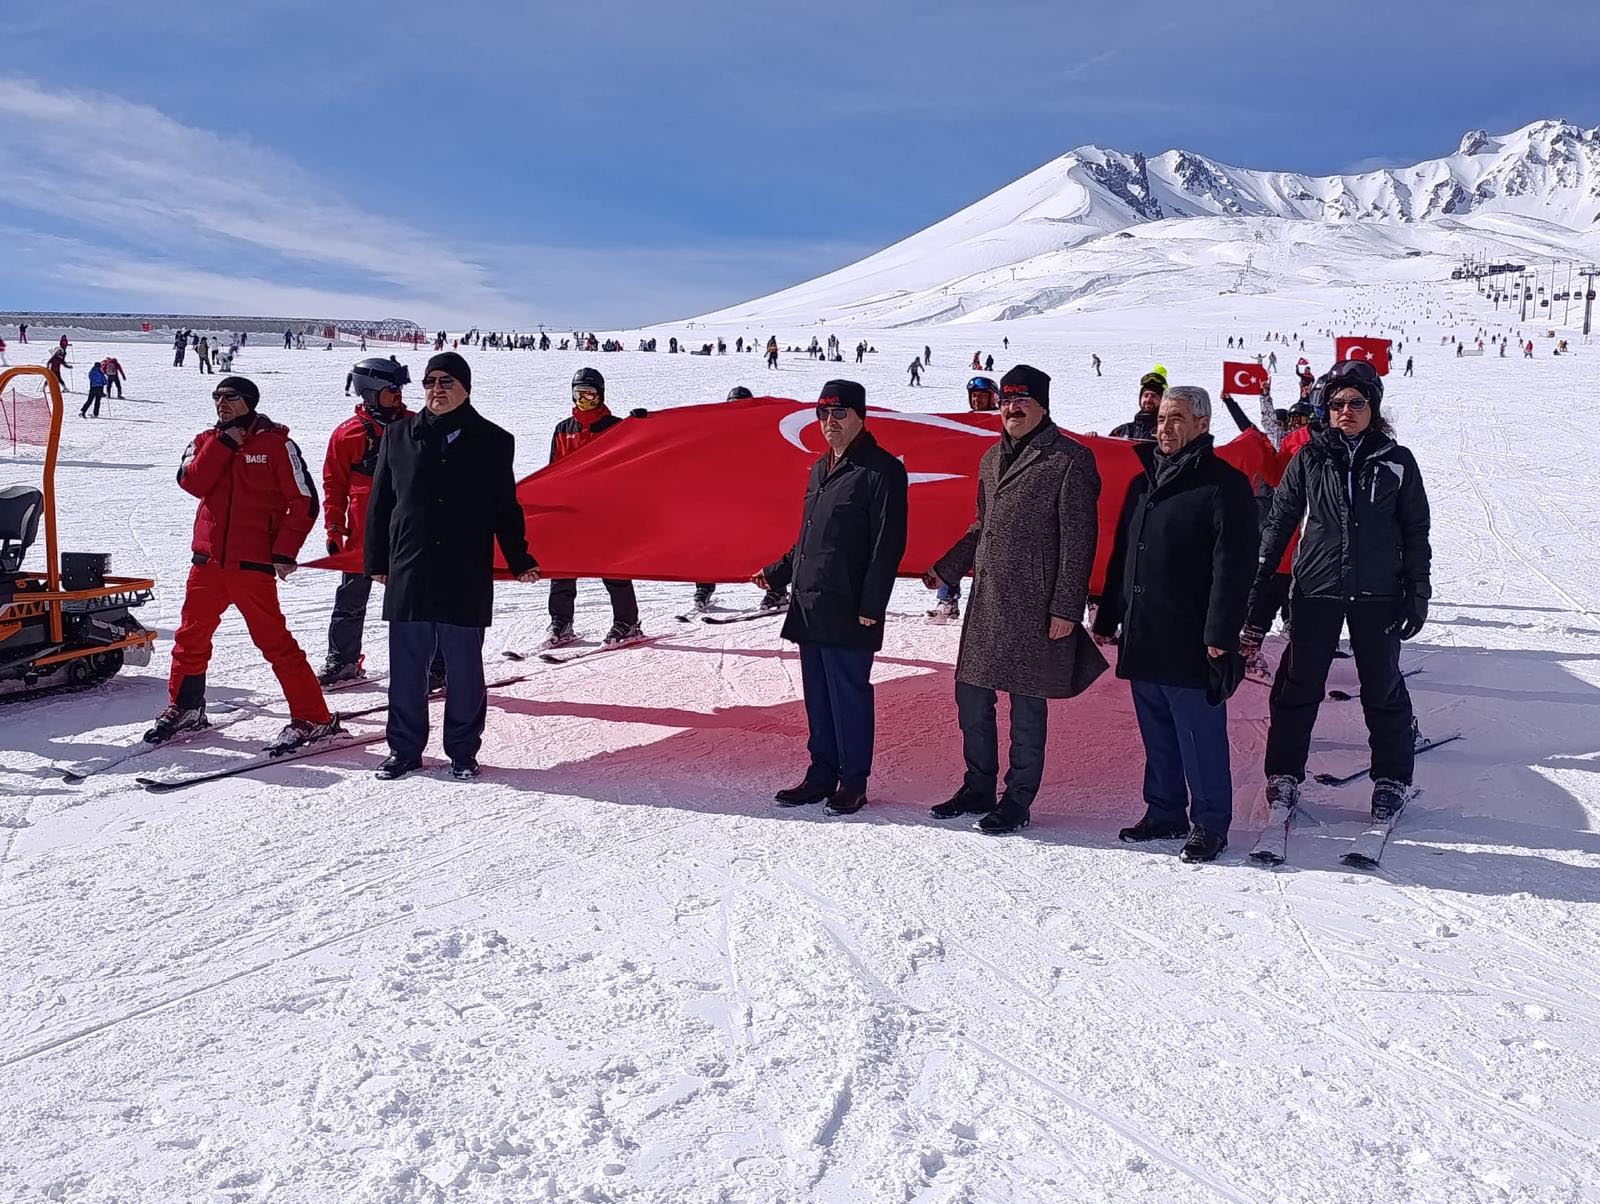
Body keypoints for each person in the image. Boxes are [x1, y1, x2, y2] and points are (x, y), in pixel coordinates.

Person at [1245, 359, 1432, 822]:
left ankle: (1391, 779)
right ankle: (1284, 774)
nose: (1345, 411)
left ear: (1373, 408)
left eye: (1356, 403)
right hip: (1317, 589)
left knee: (1382, 687)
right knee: (1298, 685)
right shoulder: (1310, 457)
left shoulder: (1397, 461)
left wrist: (1417, 590)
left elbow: (1416, 530)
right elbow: (1280, 522)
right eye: (1336, 404)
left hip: (1379, 592)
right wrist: (1261, 582)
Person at [925, 365, 1107, 835]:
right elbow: (982, 525)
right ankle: (978, 786)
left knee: (1026, 707)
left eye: (1022, 400)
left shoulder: (1070, 458)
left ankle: (1017, 799)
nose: (1012, 408)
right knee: (972, 696)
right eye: (1006, 401)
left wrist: (1066, 607)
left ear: (1043, 405)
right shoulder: (991, 458)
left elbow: (1079, 541)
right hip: (988, 602)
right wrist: (946, 568)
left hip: (1037, 605)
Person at [1092, 386, 1257, 863]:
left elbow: (1234, 567)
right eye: (1163, 418)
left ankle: (1211, 823)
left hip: (1193, 636)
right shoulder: (1142, 481)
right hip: (1144, 631)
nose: (1165, 428)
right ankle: (1164, 811)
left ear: (1203, 425)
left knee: (1199, 736)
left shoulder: (1224, 484)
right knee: (1158, 732)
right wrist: (1109, 613)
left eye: (1177, 418)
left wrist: (1221, 634)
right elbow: (1124, 552)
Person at [365, 352, 540, 780]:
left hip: (465, 569)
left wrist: (519, 558)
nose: (436, 389)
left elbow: (504, 507)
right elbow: (380, 503)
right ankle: (404, 750)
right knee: (407, 669)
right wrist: (377, 560)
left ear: (466, 388)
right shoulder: (398, 435)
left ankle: (463, 751)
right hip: (410, 567)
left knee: (464, 670)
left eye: (446, 381)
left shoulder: (494, 440)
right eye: (430, 382)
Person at [148, 376, 338, 752]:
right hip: (207, 564)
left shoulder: (277, 444)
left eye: (231, 397)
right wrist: (224, 444)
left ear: (249, 401)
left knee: (275, 644)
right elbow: (192, 483)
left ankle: (314, 718)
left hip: (252, 565)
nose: (221, 402)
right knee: (190, 639)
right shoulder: (205, 440)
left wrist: (284, 551)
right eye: (217, 396)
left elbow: (304, 501)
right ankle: (186, 707)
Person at [754, 380, 907, 816]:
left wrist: (872, 606)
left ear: (860, 416)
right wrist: (778, 572)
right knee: (819, 697)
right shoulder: (820, 468)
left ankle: (853, 783)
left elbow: (887, 545)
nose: (829, 422)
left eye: (839, 413)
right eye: (823, 413)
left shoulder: (882, 471)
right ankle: (821, 774)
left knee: (848, 697)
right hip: (811, 603)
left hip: (851, 606)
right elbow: (811, 536)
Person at [320, 357, 417, 684]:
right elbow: (334, 485)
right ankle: (343, 660)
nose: (399, 395)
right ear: (370, 393)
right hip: (364, 536)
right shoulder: (347, 435)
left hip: (410, 531)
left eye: (400, 389)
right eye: (392, 389)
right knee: (350, 599)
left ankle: (432, 664)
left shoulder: (417, 426)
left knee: (416, 602)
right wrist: (334, 528)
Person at [545, 368, 642, 647]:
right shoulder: (563, 429)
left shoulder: (616, 427)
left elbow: (635, 462)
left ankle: (627, 622)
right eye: (579, 393)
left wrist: (640, 427)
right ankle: (561, 622)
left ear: (600, 395)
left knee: (613, 568)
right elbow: (553, 470)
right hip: (572, 510)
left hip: (606, 510)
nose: (584, 399)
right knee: (562, 568)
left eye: (589, 394)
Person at [928, 376, 1001, 623]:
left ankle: (990, 607)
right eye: (973, 396)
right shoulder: (964, 425)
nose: (977, 400)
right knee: (954, 540)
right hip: (964, 493)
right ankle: (947, 599)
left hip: (993, 494)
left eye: (982, 395)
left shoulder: (1004, 422)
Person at [1110, 370, 1166, 440]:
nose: (1149, 400)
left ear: (1162, 400)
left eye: (1154, 396)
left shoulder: (1167, 431)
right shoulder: (1122, 431)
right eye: (1146, 395)